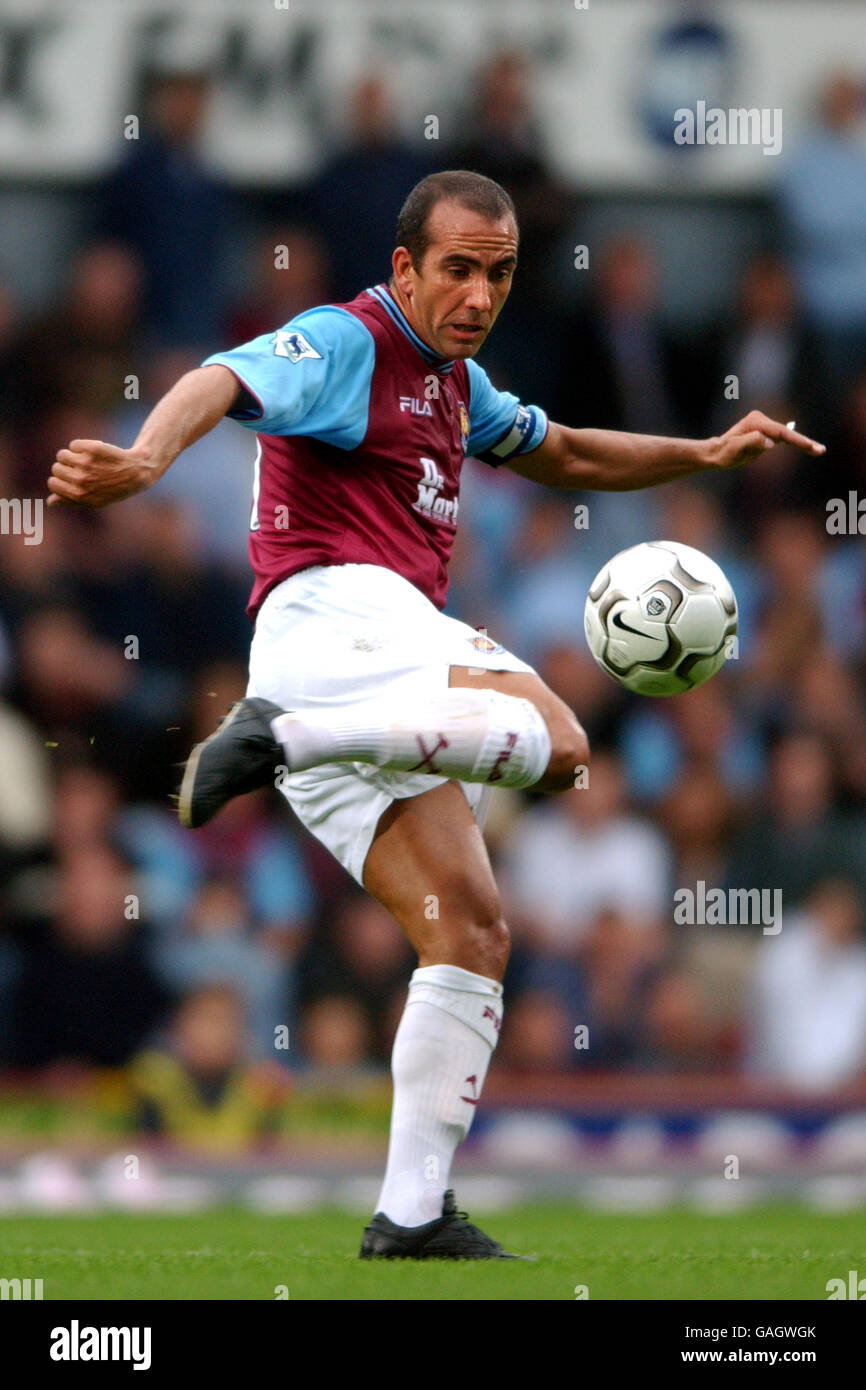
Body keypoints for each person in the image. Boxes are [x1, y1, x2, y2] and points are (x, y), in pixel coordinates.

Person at [48, 169, 825, 1259]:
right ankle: (286, 736)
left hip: (364, 671)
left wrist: (698, 453)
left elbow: (560, 451)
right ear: (405, 267)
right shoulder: (350, 338)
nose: (478, 293)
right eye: (456, 268)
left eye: (499, 273)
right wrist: (143, 461)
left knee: (469, 927)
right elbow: (222, 376)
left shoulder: (460, 388)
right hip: (336, 618)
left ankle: (409, 1213)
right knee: (560, 743)